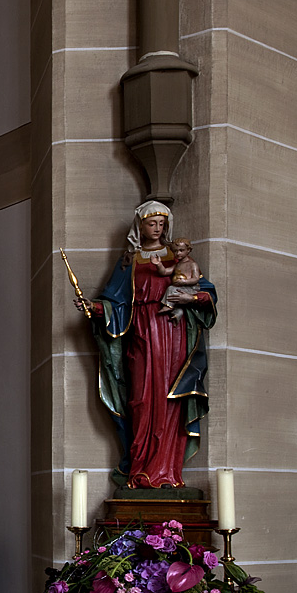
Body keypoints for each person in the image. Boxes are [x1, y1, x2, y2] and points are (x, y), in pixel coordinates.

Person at [74, 201, 217, 489]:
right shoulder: (130, 260)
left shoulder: (177, 256)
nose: (157, 228)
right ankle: (140, 469)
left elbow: (205, 292)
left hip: (172, 333)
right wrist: (94, 307)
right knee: (140, 398)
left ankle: (167, 472)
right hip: (139, 332)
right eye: (152, 223)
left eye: (162, 223)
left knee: (169, 397)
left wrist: (189, 299)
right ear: (140, 226)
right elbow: (115, 301)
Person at [153, 238, 202, 322]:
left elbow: (196, 278)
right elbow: (164, 272)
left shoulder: (192, 264)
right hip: (180, 287)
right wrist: (159, 264)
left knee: (171, 289)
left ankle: (168, 306)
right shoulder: (177, 265)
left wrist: (184, 282)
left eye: (181, 250)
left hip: (191, 288)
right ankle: (177, 312)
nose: (178, 253)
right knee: (174, 296)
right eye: (175, 251)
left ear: (188, 250)